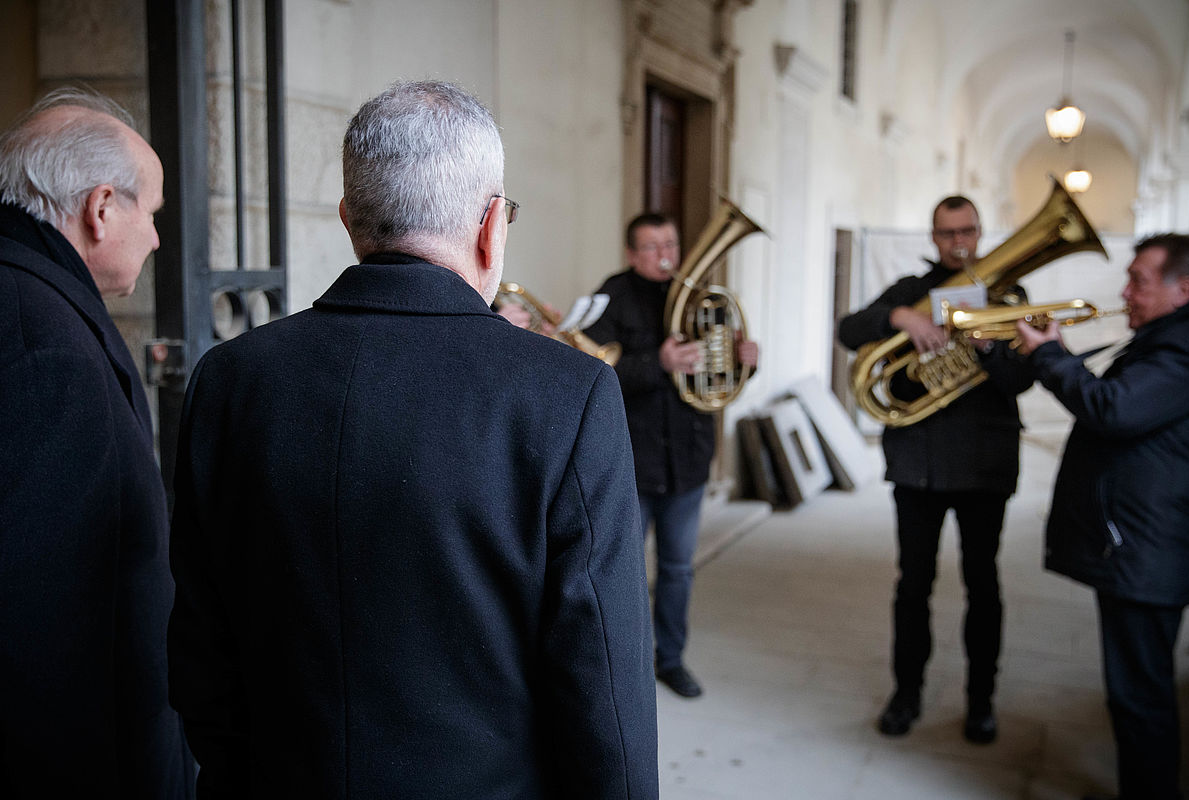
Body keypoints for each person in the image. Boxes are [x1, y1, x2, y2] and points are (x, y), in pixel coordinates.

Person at [167, 80, 658, 798]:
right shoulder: (567, 395)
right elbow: (603, 684)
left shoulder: (229, 378)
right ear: (492, 225)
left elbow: (199, 644)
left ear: (348, 220)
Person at [0, 89, 191, 796]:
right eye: (153, 213)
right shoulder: (36, 337)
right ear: (102, 207)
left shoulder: (33, 299)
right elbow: (38, 619)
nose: (158, 238)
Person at [837, 195, 1034, 743]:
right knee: (912, 586)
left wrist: (989, 349)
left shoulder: (1009, 297)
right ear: (933, 237)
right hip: (918, 465)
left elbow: (1022, 381)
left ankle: (981, 702)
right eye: (947, 233)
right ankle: (906, 695)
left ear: (981, 231)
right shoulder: (909, 292)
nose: (958, 241)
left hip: (984, 466)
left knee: (983, 585)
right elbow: (850, 329)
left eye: (967, 230)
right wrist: (899, 318)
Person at [1016, 233, 1189, 800]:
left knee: (1139, 698)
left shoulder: (1185, 347)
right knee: (1135, 691)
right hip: (1142, 544)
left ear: (1183, 289)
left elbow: (1113, 409)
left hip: (1148, 550)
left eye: (1139, 281)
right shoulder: (1170, 338)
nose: (1126, 292)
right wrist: (1061, 357)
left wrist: (1047, 357)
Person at [583, 212, 759, 699]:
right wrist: (656, 363)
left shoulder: (706, 298)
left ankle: (671, 659)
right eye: (653, 247)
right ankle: (621, 665)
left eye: (671, 244)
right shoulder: (612, 297)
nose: (665, 255)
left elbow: (719, 380)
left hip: (688, 460)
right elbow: (593, 371)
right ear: (631, 254)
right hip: (632, 462)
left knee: (679, 568)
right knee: (622, 573)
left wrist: (745, 363)